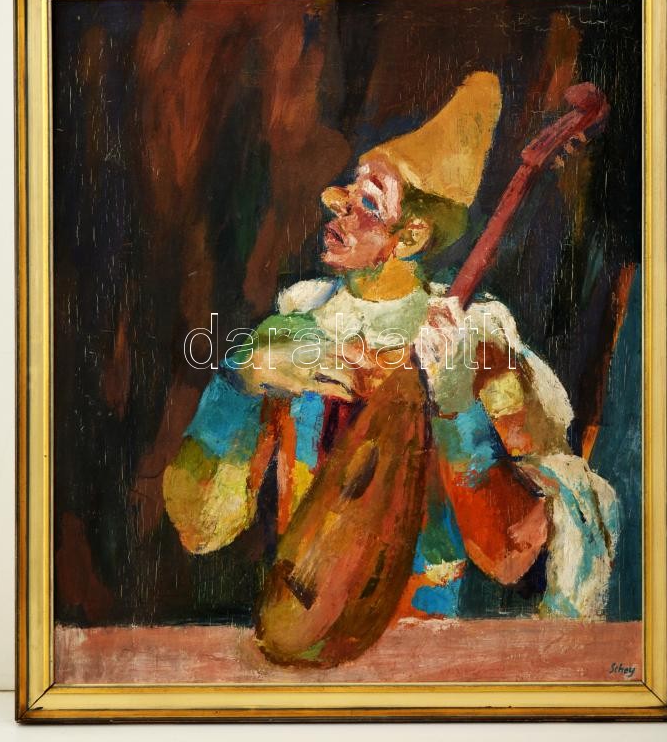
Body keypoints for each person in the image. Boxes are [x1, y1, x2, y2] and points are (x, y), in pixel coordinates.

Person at [163, 71, 619, 647]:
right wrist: (237, 385)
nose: (339, 212)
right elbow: (201, 527)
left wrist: (457, 410)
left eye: (368, 204)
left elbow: (509, 554)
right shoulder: (296, 329)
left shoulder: (476, 343)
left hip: (425, 641)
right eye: (347, 195)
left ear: (411, 237)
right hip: (299, 625)